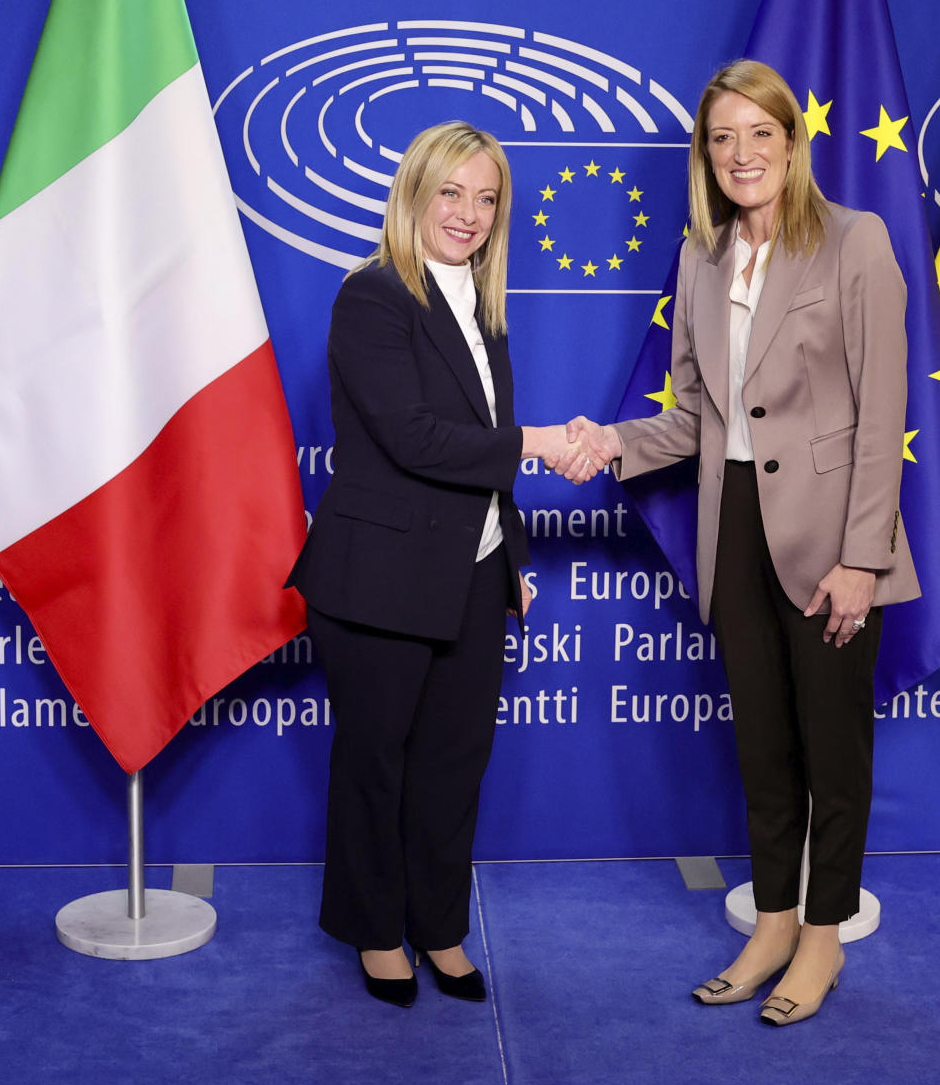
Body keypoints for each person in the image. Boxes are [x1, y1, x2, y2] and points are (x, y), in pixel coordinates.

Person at [561, 60, 919, 1026]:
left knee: (831, 756)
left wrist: (863, 558)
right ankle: (769, 924)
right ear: (705, 157)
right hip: (736, 535)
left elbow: (883, 416)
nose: (741, 153)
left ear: (792, 143)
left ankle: (820, 941)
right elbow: (695, 425)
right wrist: (610, 443)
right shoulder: (703, 258)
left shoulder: (856, 242)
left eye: (760, 133)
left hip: (834, 540)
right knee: (762, 750)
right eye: (722, 138)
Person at [287, 121, 575, 1007]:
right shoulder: (373, 297)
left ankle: (440, 926)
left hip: (470, 577)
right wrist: (542, 442)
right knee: (377, 760)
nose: (470, 213)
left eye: (487, 197)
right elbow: (415, 440)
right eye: (451, 192)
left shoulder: (482, 307)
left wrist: (507, 559)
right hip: (377, 581)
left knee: (456, 763)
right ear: (414, 193)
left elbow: (476, 460)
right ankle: (378, 932)